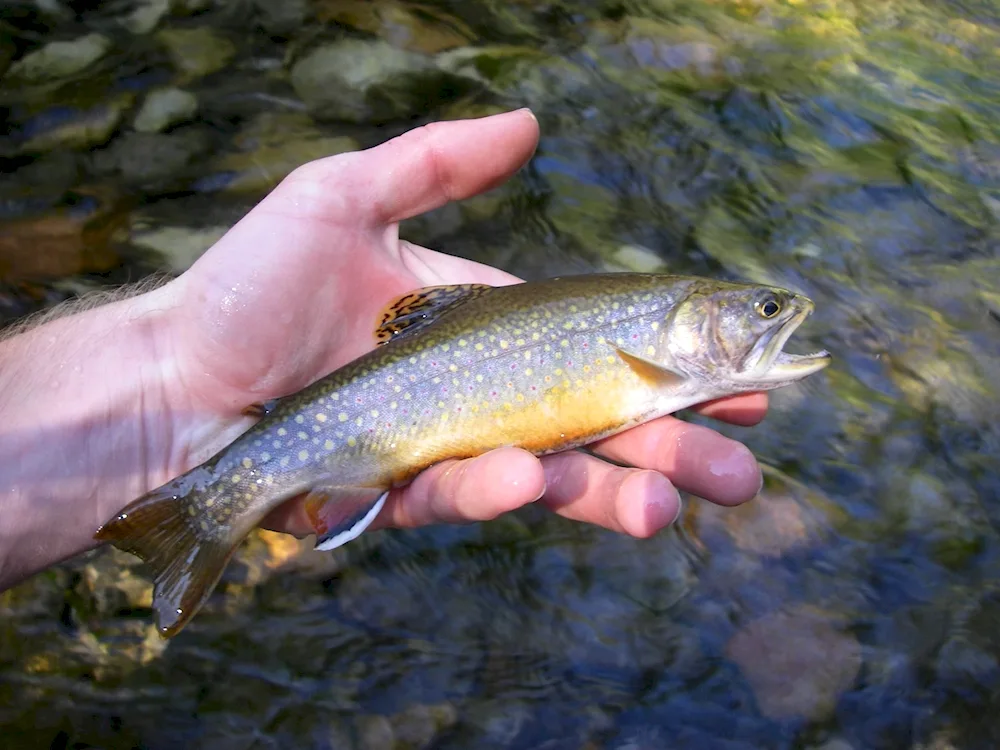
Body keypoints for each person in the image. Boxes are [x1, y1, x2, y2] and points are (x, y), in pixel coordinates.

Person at [0, 108, 766, 592]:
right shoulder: (653, 336)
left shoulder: (659, 347)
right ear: (693, 318)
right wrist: (173, 371)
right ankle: (207, 507)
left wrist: (156, 391)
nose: (774, 319)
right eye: (763, 312)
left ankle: (206, 507)